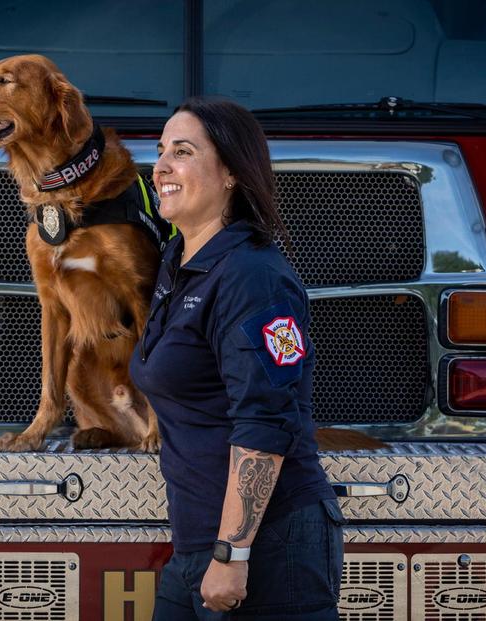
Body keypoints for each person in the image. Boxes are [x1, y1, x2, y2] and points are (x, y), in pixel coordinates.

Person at [129, 97, 343, 620]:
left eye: (182, 152)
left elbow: (266, 420)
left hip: (268, 548)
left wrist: (232, 553)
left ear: (231, 173)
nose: (161, 167)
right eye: (160, 152)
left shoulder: (254, 276)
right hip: (195, 545)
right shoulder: (179, 262)